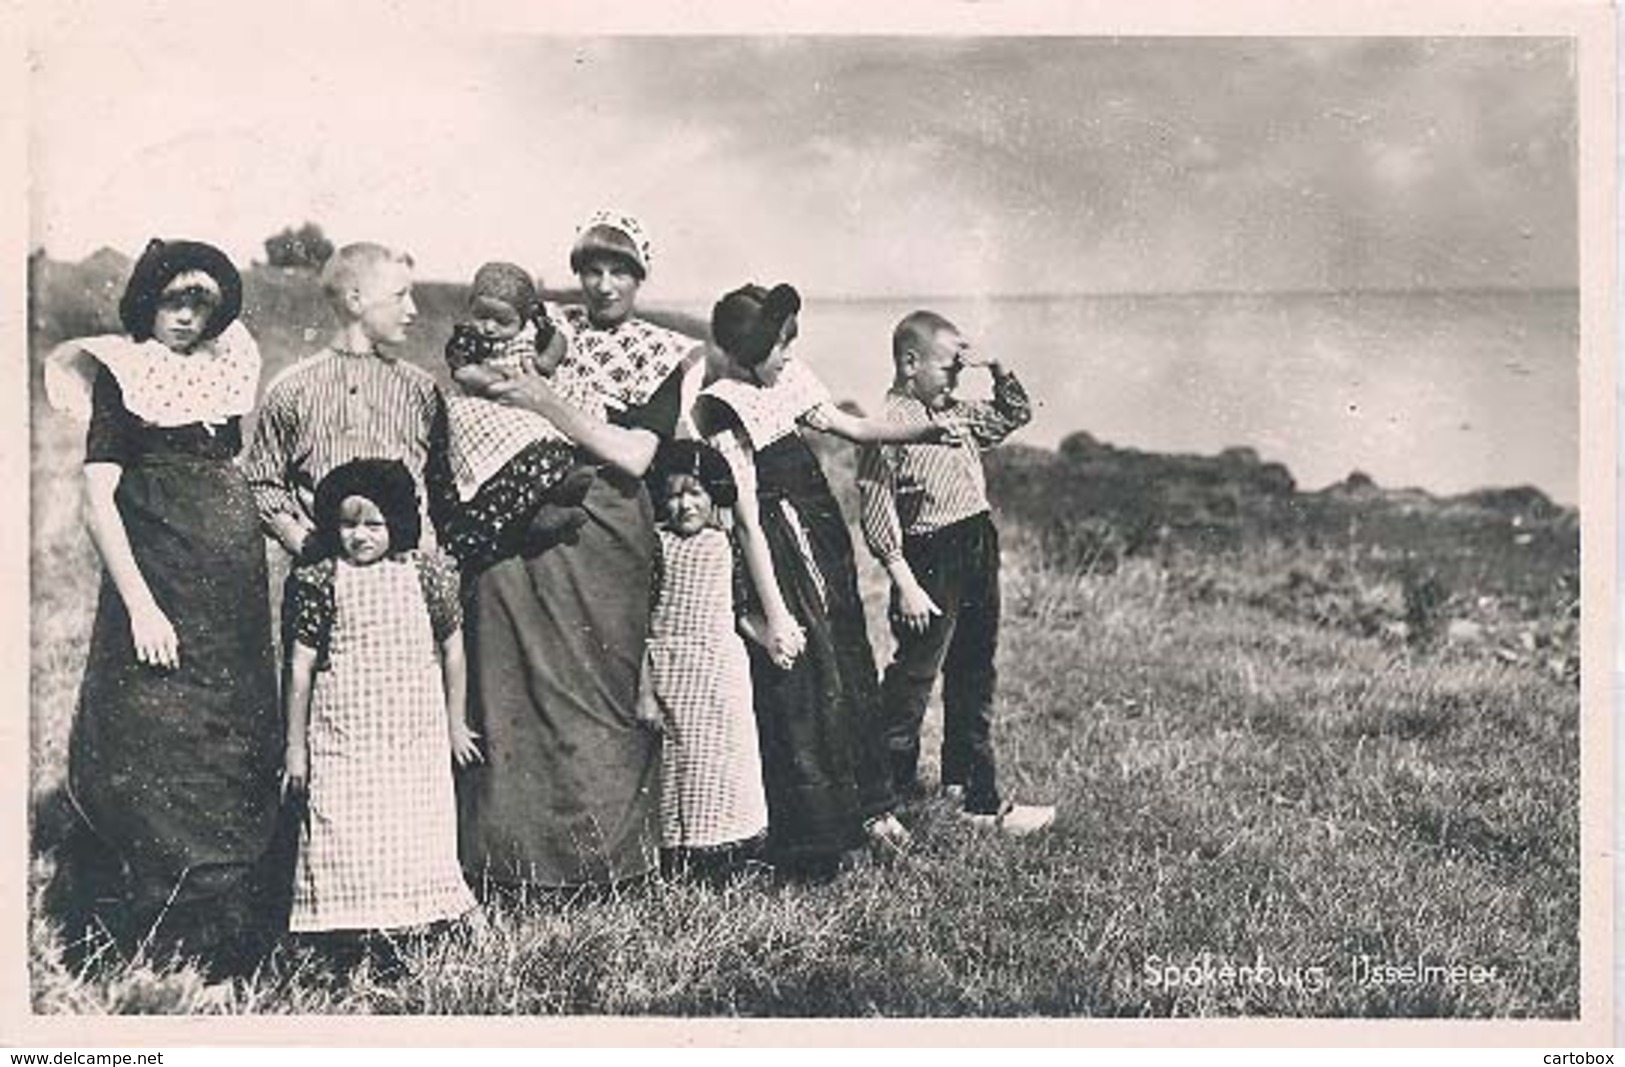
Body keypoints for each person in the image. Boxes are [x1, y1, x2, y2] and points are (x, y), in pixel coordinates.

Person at [42, 238, 282, 977]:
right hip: (162, 594)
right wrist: (143, 606)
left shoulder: (222, 371)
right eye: (174, 300)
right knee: (161, 742)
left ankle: (230, 934)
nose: (185, 317)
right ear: (147, 299)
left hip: (231, 603)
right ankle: (159, 942)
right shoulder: (124, 374)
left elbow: (229, 472)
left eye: (200, 303)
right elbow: (96, 501)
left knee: (230, 743)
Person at [454, 211, 705, 890]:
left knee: (600, 693)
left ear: (639, 276)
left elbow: (633, 453)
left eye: (618, 269)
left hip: (607, 528)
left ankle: (602, 863)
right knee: (511, 686)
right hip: (521, 523)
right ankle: (509, 862)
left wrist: (544, 399)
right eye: (590, 268)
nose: (602, 284)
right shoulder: (547, 327)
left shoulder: (663, 353)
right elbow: (474, 375)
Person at [693, 282, 947, 875]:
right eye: (779, 345)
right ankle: (813, 829)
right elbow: (749, 520)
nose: (788, 355)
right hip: (779, 549)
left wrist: (925, 431)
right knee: (805, 676)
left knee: (848, 656)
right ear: (751, 346)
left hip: (820, 530)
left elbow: (852, 429)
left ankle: (873, 807)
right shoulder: (722, 406)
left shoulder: (787, 381)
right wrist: (776, 612)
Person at [857, 310, 1055, 835]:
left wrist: (998, 367)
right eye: (949, 368)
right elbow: (876, 505)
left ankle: (971, 793)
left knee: (974, 668)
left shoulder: (958, 411)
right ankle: (882, 802)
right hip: (928, 558)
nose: (956, 378)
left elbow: (1015, 415)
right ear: (909, 363)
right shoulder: (889, 423)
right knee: (914, 677)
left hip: (976, 544)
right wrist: (904, 582)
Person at [281, 459, 481, 937]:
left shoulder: (426, 574)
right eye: (349, 524)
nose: (360, 536)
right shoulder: (321, 580)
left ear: (397, 522)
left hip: (414, 733)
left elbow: (453, 650)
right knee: (343, 824)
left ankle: (416, 920)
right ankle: (349, 928)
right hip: (344, 733)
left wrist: (455, 723)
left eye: (374, 524)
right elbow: (300, 666)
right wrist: (295, 747)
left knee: (413, 822)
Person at [242, 242, 453, 569]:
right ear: (355, 301)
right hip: (324, 578)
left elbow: (441, 484)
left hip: (408, 580)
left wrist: (429, 546)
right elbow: (261, 481)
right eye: (400, 296)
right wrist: (302, 541)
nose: (412, 309)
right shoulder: (291, 389)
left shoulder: (421, 389)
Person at [642, 440, 770, 883]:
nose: (685, 504)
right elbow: (640, 620)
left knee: (725, 763)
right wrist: (645, 689)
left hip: (720, 670)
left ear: (713, 493)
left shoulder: (725, 544)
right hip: (672, 669)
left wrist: (769, 639)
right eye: (674, 494)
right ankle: (681, 860)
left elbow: (736, 611)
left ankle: (729, 858)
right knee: (681, 769)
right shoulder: (655, 546)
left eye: (695, 492)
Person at [439, 261, 599, 574]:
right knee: (506, 437)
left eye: (502, 321)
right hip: (487, 402)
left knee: (549, 433)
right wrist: (492, 379)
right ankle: (530, 516)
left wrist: (545, 363)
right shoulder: (468, 338)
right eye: (481, 315)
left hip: (531, 391)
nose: (489, 327)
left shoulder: (538, 325)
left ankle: (555, 497)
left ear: (524, 317)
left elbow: (559, 339)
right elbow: (463, 370)